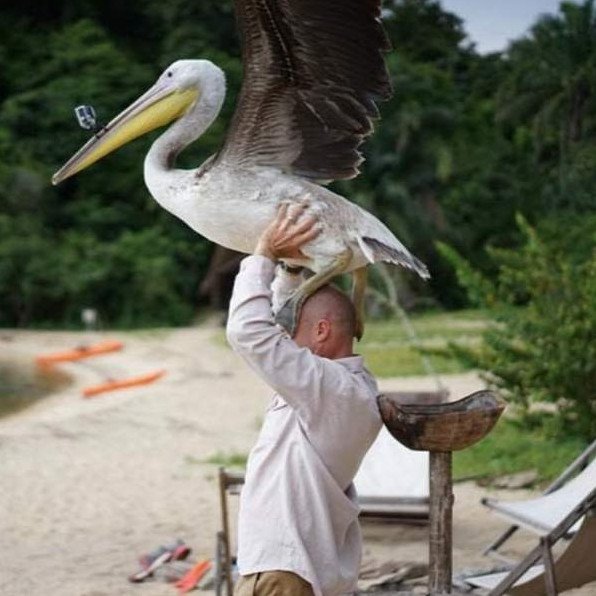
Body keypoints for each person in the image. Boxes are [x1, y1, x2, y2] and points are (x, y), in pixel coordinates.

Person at [226, 202, 382, 596]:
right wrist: (291, 270)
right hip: (290, 569)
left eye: (293, 332)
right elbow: (288, 319)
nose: (286, 340)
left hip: (283, 574)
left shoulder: (332, 389)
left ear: (322, 332)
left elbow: (248, 332)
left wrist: (262, 256)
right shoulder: (343, 387)